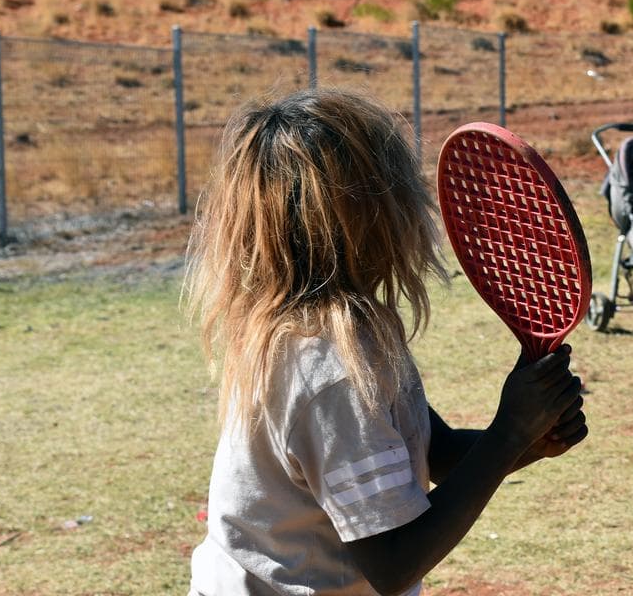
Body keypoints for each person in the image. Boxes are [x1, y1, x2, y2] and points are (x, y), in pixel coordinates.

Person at [184, 89, 587, 595]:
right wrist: (507, 435)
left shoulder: (345, 333)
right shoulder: (329, 369)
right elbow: (394, 562)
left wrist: (525, 439)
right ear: (367, 215)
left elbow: (432, 453)